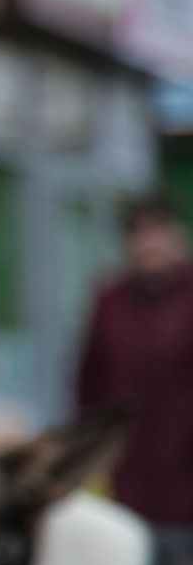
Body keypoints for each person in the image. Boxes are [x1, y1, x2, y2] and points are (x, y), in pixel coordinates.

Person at [76, 194, 193, 529]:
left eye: (157, 233)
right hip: (127, 463)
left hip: (184, 463)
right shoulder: (110, 301)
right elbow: (89, 379)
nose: (149, 245)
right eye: (139, 235)